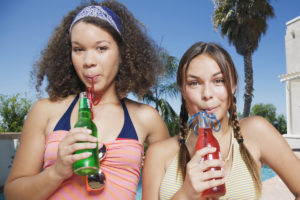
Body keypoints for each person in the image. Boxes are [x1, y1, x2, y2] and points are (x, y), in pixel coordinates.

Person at [4, 1, 169, 199]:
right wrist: (57, 172)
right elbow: (12, 193)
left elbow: (167, 190)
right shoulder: (45, 111)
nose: (89, 61)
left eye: (101, 48)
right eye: (78, 49)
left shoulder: (147, 118)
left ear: (122, 53)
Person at [142, 42, 300, 200]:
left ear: (233, 85)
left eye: (218, 80)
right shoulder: (159, 154)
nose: (207, 94)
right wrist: (186, 194)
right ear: (183, 90)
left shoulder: (256, 132)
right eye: (194, 83)